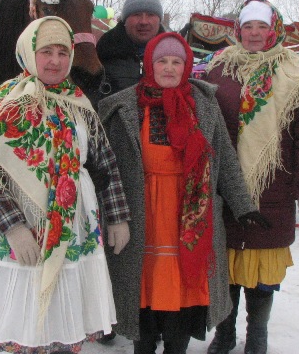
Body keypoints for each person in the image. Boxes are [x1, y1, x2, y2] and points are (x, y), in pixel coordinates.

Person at [0, 16, 131, 353]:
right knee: (24, 318)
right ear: (28, 53)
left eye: (63, 52)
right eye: (46, 51)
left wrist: (119, 215)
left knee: (66, 315)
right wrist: (13, 228)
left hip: (76, 224)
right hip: (26, 228)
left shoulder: (78, 102)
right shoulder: (9, 103)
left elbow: (103, 160)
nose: (55, 61)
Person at [98, 32, 269, 354]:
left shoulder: (204, 105)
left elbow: (225, 158)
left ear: (187, 65)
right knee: (141, 296)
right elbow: (105, 168)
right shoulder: (120, 108)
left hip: (190, 218)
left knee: (184, 295)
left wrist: (243, 206)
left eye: (176, 61)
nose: (169, 68)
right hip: (140, 216)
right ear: (149, 64)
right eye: (162, 60)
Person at [201, 0, 299, 354]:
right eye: (248, 27)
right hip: (225, 186)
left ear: (275, 30)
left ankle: (258, 334)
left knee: (262, 271)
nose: (255, 34)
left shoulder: (296, 73)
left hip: (274, 186)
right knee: (225, 266)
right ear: (238, 31)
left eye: (262, 27)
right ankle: (224, 333)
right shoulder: (218, 69)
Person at [96, 0, 165, 104]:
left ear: (159, 20)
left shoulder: (174, 57)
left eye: (150, 15)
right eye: (137, 14)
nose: (144, 21)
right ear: (125, 20)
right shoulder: (103, 53)